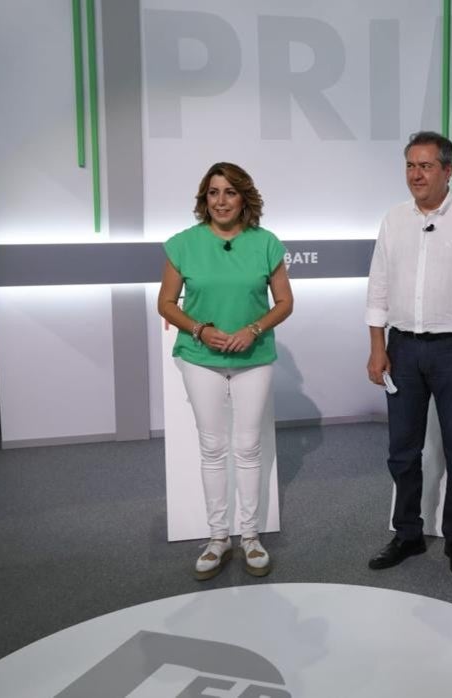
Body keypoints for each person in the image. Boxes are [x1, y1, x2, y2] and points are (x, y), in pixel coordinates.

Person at [364, 131, 452, 578]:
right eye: (410, 165)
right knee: (402, 450)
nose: (416, 175)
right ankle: (407, 533)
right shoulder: (393, 220)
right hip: (402, 348)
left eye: (425, 166)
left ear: (448, 170)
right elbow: (378, 286)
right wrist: (377, 346)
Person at [158, 162, 294, 581]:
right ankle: (218, 538)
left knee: (248, 447)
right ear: (205, 199)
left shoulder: (266, 243)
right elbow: (166, 304)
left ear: (243, 198)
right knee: (212, 447)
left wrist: (253, 330)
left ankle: (250, 536)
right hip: (200, 357)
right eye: (213, 192)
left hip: (254, 358)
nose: (221, 201)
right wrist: (200, 329)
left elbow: (284, 302)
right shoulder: (182, 244)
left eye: (230, 192)